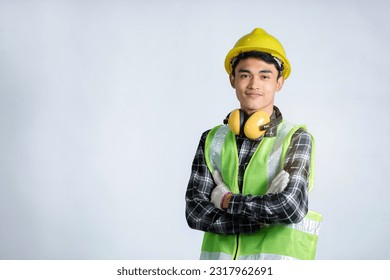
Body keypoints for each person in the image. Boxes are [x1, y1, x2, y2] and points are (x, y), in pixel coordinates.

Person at [185, 28, 322, 260]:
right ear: (233, 79)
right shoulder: (212, 139)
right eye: (245, 74)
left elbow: (291, 207)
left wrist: (228, 201)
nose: (254, 84)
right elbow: (195, 213)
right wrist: (260, 217)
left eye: (265, 76)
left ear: (279, 82)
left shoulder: (296, 137)